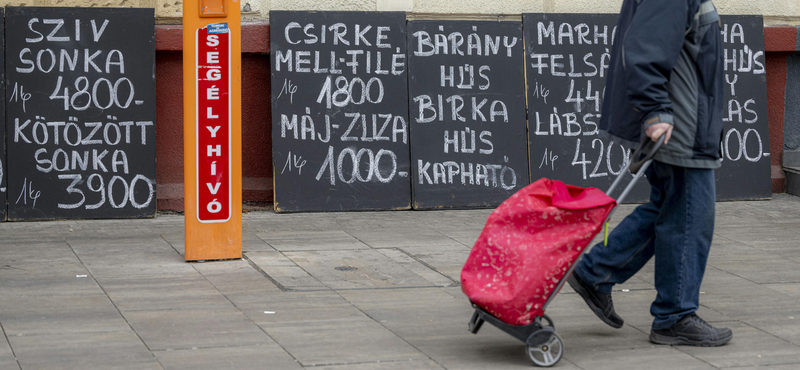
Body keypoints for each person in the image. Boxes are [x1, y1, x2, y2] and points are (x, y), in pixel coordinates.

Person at [567, 0, 733, 346]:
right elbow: (645, 48)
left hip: (683, 122)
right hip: (679, 126)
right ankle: (674, 316)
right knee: (691, 217)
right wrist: (656, 110)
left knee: (668, 208)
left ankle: (596, 273)